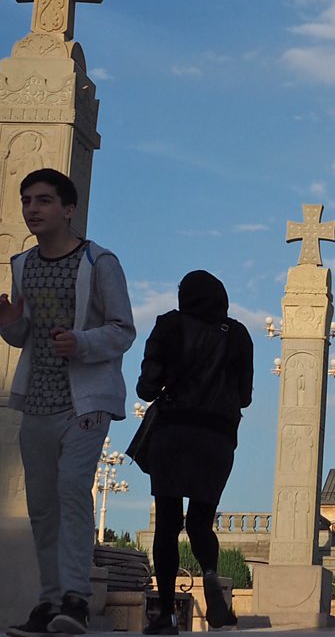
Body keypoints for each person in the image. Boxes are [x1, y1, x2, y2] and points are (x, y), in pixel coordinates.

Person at [2, 168, 135, 637]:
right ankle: (49, 602)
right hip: (36, 399)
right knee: (42, 504)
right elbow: (25, 335)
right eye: (26, 201)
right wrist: (8, 322)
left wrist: (81, 343)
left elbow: (123, 330)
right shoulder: (22, 265)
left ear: (68, 209)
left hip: (86, 401)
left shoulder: (99, 263)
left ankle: (75, 600)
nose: (32, 209)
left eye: (42, 201)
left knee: (73, 491)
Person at [136, 271, 253, 634]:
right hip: (216, 439)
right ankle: (211, 575)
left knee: (168, 524)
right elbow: (245, 396)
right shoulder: (238, 334)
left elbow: (146, 387)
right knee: (201, 521)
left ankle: (166, 613)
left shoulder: (169, 326)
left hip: (173, 432)